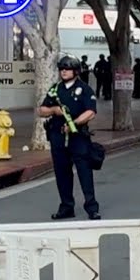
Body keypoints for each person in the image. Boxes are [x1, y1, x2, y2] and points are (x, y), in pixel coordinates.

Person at [39, 55, 100, 220]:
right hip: (57, 136)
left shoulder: (84, 89)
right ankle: (66, 207)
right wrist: (54, 111)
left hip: (77, 136)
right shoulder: (55, 89)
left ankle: (92, 207)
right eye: (61, 69)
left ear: (76, 71)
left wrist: (75, 122)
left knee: (84, 171)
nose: (64, 71)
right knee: (62, 172)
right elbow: (41, 110)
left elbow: (91, 112)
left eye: (67, 69)